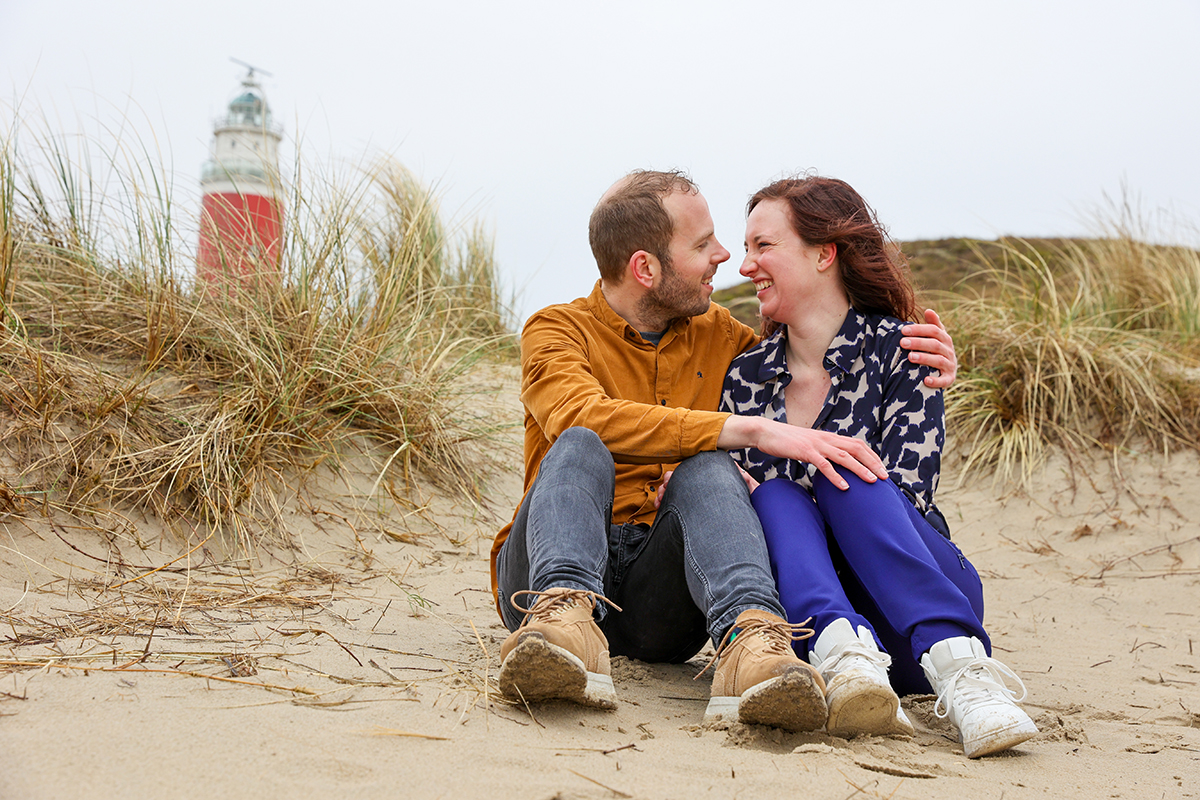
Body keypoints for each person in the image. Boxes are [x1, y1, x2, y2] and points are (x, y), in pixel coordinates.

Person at [490, 170, 957, 733]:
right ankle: (565, 621)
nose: (724, 256)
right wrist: (748, 430)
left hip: (661, 593)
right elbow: (577, 413)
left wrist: (922, 360)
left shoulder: (725, 339)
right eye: (702, 244)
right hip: (541, 572)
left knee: (711, 468)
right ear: (646, 268)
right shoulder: (555, 329)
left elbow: (813, 351)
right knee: (581, 442)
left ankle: (751, 643)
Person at [720, 175, 1037, 757]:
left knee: (847, 474)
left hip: (918, 606)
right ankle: (847, 658)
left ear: (824, 253)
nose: (745, 265)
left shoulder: (906, 352)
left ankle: (969, 678)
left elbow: (907, 499)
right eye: (745, 249)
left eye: (763, 246)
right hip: (812, 637)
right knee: (773, 497)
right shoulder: (745, 377)